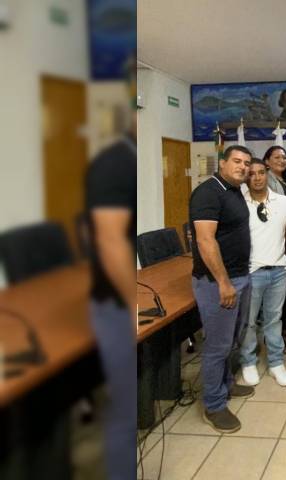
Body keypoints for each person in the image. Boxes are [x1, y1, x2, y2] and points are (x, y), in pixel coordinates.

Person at [84, 69, 137, 479]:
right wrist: (133, 303)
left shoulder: (127, 158)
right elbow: (109, 239)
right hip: (115, 303)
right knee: (124, 407)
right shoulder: (113, 162)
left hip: (120, 297)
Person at [189, 145, 256, 433]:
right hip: (218, 282)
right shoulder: (208, 193)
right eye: (237, 161)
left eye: (247, 163)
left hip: (240, 276)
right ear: (223, 163)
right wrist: (224, 282)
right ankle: (214, 405)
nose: (243, 167)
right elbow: (205, 241)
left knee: (231, 340)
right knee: (217, 346)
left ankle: (226, 384)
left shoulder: (234, 191)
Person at [240, 159, 286, 387]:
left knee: (274, 320)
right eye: (252, 174)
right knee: (249, 322)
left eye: (261, 173)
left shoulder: (284, 202)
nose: (257, 177)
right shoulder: (239, 203)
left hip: (278, 270)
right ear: (246, 177)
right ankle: (248, 362)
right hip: (251, 271)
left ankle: (276, 363)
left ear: (267, 174)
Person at [263, 145, 286, 346]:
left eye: (284, 157)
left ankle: (284, 325)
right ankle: (276, 334)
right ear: (267, 161)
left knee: (281, 290)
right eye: (276, 157)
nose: (281, 160)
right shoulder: (265, 182)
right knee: (273, 293)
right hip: (273, 243)